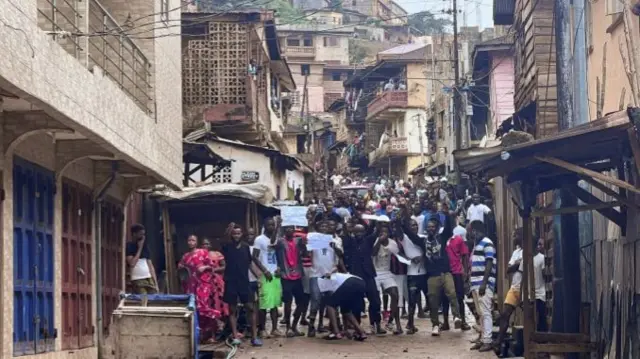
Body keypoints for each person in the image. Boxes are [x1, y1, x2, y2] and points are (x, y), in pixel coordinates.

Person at [221, 224, 262, 346]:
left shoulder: (245, 247)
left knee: (251, 308)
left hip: (244, 282)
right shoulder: (227, 247)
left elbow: (249, 264)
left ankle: (254, 337)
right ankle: (235, 336)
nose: (236, 235)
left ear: (241, 234)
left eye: (238, 233)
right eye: (234, 233)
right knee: (232, 310)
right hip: (231, 282)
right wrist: (229, 229)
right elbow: (224, 238)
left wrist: (258, 277)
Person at [342, 223, 386, 335]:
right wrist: (346, 226)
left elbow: (375, 231)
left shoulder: (368, 240)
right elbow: (345, 234)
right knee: (357, 303)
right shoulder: (350, 242)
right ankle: (358, 327)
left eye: (361, 232)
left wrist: (379, 222)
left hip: (368, 275)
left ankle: (376, 324)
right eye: (356, 232)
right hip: (355, 276)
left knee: (375, 301)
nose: (359, 234)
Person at [179, 235, 221, 343]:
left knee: (204, 305)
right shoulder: (185, 256)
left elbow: (212, 266)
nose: (190, 242)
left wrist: (204, 267)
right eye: (189, 240)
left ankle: (216, 321)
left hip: (203, 283)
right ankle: (201, 335)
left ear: (196, 242)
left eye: (193, 240)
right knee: (195, 309)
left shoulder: (203, 252)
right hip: (191, 285)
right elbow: (180, 268)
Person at [469, 220, 497, 352]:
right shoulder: (477, 244)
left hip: (482, 282)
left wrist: (484, 283)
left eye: (472, 231)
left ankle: (487, 340)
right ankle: (482, 338)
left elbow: (489, 263)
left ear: (476, 230)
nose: (472, 234)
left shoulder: (487, 242)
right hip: (475, 282)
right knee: (480, 313)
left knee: (485, 312)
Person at [254, 217, 283, 337]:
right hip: (265, 275)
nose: (271, 227)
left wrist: (280, 267)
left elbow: (279, 255)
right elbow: (254, 257)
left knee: (275, 303)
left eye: (273, 225)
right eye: (269, 225)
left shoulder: (276, 239)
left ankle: (275, 329)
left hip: (275, 274)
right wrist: (264, 270)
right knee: (264, 304)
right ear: (264, 226)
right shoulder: (259, 239)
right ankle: (262, 329)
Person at [276, 225, 308, 337]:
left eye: (291, 229)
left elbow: (305, 254)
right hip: (286, 275)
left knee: (301, 302)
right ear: (284, 231)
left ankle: (295, 326)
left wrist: (304, 247)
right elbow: (274, 243)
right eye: (287, 229)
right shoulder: (280, 242)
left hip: (298, 275)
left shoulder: (298, 241)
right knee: (288, 303)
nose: (289, 231)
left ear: (294, 231)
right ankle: (288, 328)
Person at [372, 225, 403, 335]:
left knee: (395, 294)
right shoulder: (374, 241)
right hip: (375, 272)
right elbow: (373, 253)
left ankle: (392, 322)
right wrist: (379, 241)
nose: (383, 234)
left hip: (387, 272)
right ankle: (376, 324)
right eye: (381, 232)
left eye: (385, 232)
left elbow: (398, 253)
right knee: (375, 299)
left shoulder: (392, 243)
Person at [321, 272, 369, 341]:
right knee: (346, 310)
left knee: (330, 305)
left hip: (350, 283)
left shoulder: (329, 278)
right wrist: (345, 329)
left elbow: (332, 298)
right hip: (361, 283)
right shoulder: (340, 276)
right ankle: (361, 332)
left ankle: (336, 332)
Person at [442, 225, 471, 331]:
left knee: (456, 297)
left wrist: (465, 271)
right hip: (449, 272)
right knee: (449, 297)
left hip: (454, 271)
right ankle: (451, 322)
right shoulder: (444, 239)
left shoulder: (455, 239)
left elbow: (464, 255)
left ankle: (459, 321)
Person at [202, 238, 230, 331]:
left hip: (217, 283)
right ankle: (211, 329)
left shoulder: (217, 254)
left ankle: (224, 328)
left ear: (210, 245)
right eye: (203, 244)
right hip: (205, 284)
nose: (206, 246)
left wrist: (213, 270)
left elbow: (224, 266)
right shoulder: (199, 256)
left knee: (221, 304)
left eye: (207, 244)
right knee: (209, 305)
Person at [126, 224, 158, 295]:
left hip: (148, 278)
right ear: (134, 234)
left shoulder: (145, 247)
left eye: (143, 234)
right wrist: (139, 248)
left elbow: (150, 266)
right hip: (137, 279)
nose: (143, 237)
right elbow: (132, 263)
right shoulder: (129, 246)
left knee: (154, 298)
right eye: (140, 234)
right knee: (143, 298)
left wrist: (155, 283)